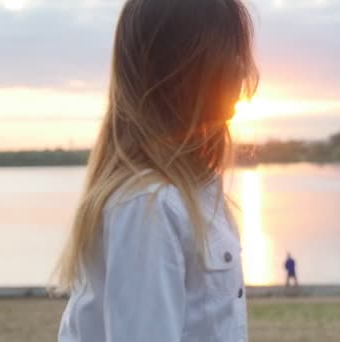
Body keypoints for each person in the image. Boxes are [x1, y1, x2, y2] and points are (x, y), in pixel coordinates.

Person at [53, 0, 258, 341]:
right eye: (230, 52)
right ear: (183, 72)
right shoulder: (149, 205)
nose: (243, 69)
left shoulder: (195, 194)